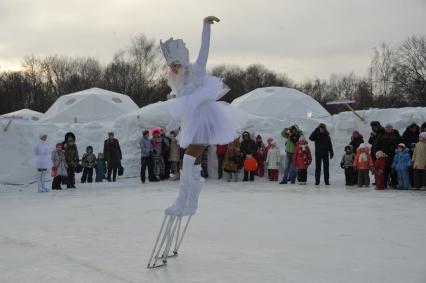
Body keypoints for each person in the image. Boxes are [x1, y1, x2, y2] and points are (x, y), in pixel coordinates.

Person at [159, 16, 237, 217]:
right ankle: (189, 203)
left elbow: (204, 47)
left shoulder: (197, 70)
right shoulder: (181, 85)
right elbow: (184, 108)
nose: (174, 69)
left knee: (187, 160)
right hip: (194, 124)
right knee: (192, 164)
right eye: (171, 66)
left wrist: (205, 26)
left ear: (183, 61)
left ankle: (183, 201)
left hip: (207, 121)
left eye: (176, 64)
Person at [376, 124, 402, 188]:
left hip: (394, 155)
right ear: (385, 129)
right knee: (384, 170)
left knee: (393, 170)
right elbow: (376, 145)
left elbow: (401, 143)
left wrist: (399, 151)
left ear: (392, 128)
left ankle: (394, 183)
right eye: (387, 128)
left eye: (390, 127)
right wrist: (378, 153)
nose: (388, 129)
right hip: (384, 156)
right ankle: (384, 183)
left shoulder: (396, 135)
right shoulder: (381, 135)